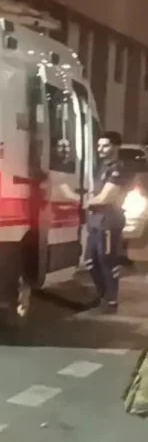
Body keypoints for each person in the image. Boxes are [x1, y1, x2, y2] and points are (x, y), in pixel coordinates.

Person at [83, 131, 132, 312]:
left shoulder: (119, 169)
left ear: (116, 147)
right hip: (96, 221)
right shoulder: (102, 167)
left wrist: (81, 201)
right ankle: (103, 295)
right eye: (99, 146)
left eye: (105, 146)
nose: (100, 149)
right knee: (90, 261)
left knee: (107, 262)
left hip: (109, 222)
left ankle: (111, 301)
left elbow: (105, 198)